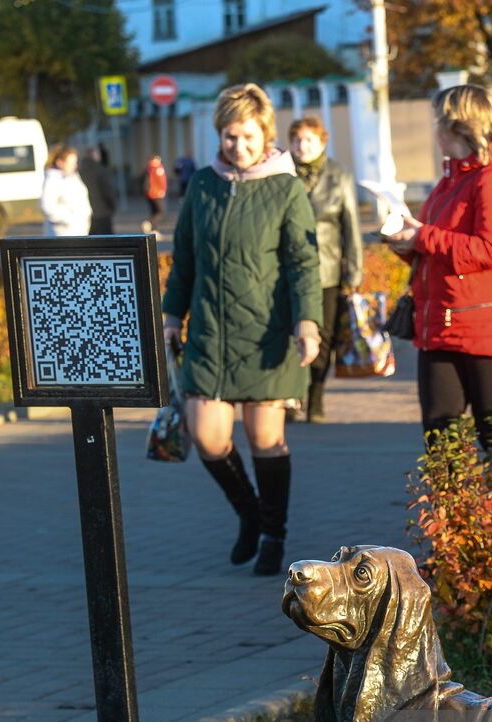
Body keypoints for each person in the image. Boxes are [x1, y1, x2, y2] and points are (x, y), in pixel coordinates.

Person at [161, 84, 322, 577]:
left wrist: (308, 321)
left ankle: (274, 533)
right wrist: (171, 315)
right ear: (220, 135)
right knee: (206, 436)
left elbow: (302, 261)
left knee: (265, 438)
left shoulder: (285, 187)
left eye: (248, 137)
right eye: (231, 137)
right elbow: (184, 257)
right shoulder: (203, 186)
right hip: (211, 330)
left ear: (265, 134)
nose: (239, 146)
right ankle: (250, 515)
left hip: (267, 332)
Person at [383, 83, 492, 451]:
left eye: (438, 121)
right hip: (441, 324)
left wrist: (423, 237)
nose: (433, 130)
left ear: (456, 126)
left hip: (491, 327)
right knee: (440, 439)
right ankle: (449, 511)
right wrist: (406, 244)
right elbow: (437, 248)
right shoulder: (448, 183)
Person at [289, 115, 364, 422]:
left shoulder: (338, 176)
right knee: (289, 334)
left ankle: (316, 396)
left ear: (322, 142)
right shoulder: (282, 173)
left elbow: (352, 228)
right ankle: (292, 396)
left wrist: (354, 273)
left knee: (324, 335)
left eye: (309, 140)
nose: (302, 146)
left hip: (327, 270)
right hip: (288, 270)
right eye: (296, 140)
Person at [40, 145, 91, 237]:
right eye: (71, 163)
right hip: (63, 234)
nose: (75, 166)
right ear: (60, 163)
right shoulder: (53, 180)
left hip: (78, 231)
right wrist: (71, 219)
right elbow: (47, 207)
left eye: (75, 162)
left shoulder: (73, 177)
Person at [79, 144, 117, 235]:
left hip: (86, 214)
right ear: (95, 155)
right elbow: (108, 191)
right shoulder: (101, 170)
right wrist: (112, 206)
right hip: (102, 212)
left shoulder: (79, 172)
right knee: (107, 242)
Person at [144, 155, 168, 232]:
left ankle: (154, 230)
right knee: (161, 212)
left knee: (154, 212)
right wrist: (162, 190)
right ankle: (149, 223)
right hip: (157, 193)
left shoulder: (149, 167)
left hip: (149, 193)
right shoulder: (157, 168)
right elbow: (161, 181)